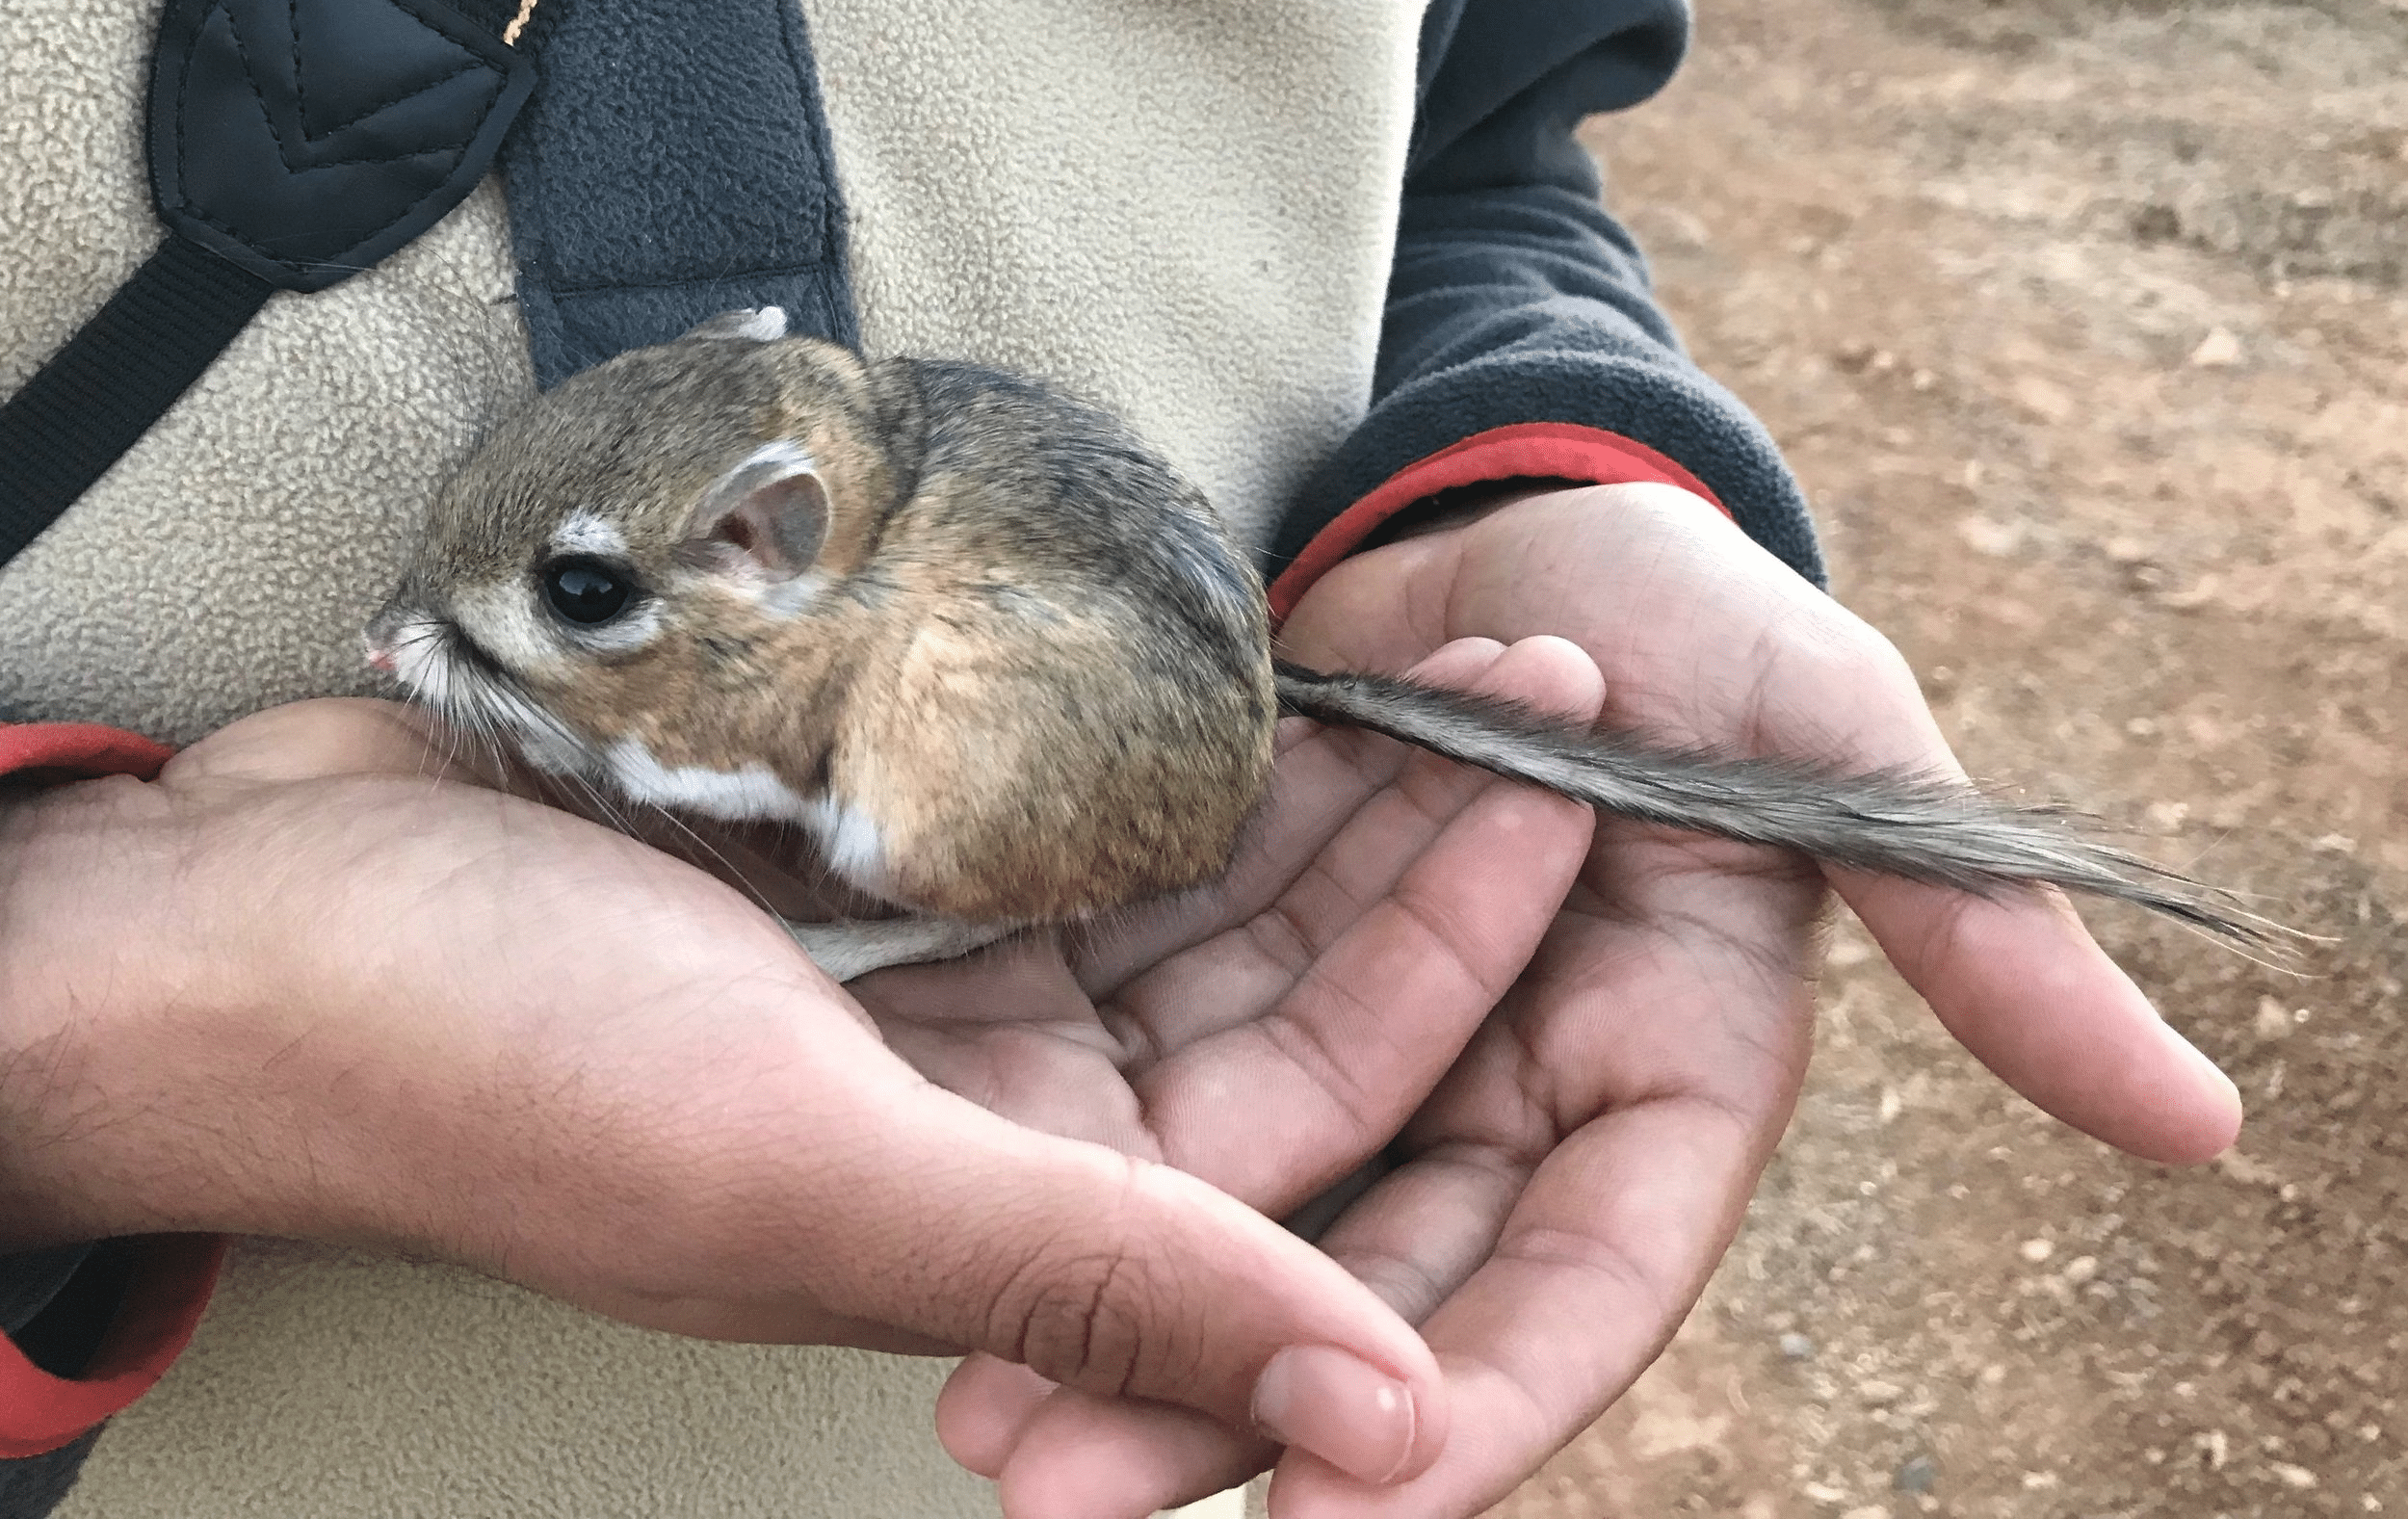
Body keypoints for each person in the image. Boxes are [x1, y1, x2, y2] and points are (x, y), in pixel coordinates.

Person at [0, 0, 2241, 1515]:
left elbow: (1471, 155)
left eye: (569, 615)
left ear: (770, 542)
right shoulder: (756, 525)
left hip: (987, 1405)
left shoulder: (788, 606)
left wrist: (1507, 473)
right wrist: (71, 1013)